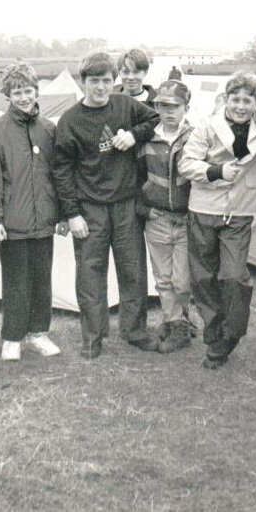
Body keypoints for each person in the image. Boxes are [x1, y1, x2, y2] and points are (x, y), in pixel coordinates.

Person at [53, 50, 161, 358]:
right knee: (90, 272)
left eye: (106, 81)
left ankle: (135, 331)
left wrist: (133, 134)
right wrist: (71, 213)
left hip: (126, 203)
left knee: (133, 271)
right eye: (94, 81)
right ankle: (92, 335)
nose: (101, 88)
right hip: (90, 208)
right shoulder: (70, 120)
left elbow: (154, 119)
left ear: (114, 81)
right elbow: (61, 172)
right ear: (82, 81)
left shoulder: (126, 105)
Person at [179, 72, 256, 369]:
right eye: (235, 99)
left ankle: (231, 334)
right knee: (203, 277)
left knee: (233, 275)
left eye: (247, 100)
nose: (240, 106)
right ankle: (214, 335)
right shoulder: (207, 127)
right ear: (226, 99)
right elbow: (186, 164)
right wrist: (216, 171)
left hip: (240, 211)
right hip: (203, 208)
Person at [0, 61, 65, 361]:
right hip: (13, 223)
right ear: (8, 96)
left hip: (44, 221)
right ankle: (13, 337)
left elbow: (59, 174)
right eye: (17, 92)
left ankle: (39, 333)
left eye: (28, 90)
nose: (24, 97)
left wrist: (62, 214)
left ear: (36, 90)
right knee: (16, 280)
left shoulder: (49, 129)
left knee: (42, 279)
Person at [137, 80, 195, 353]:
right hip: (157, 218)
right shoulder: (147, 138)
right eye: (162, 105)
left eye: (175, 106)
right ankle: (176, 325)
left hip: (185, 220)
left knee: (182, 281)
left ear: (186, 107)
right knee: (162, 278)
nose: (168, 111)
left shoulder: (196, 136)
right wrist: (144, 209)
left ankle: (180, 317)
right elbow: (133, 176)